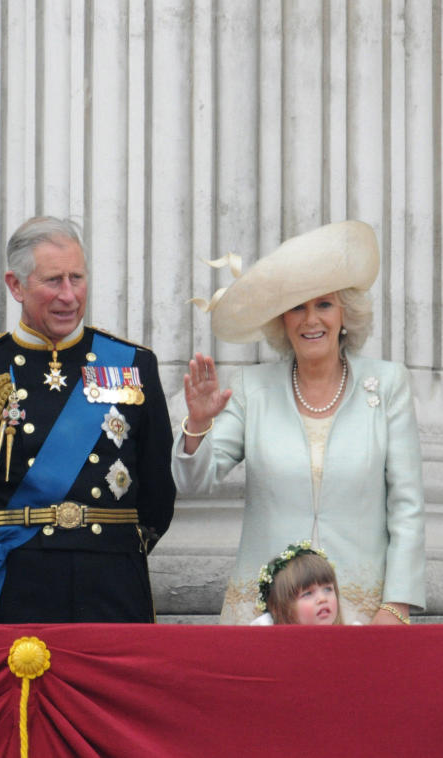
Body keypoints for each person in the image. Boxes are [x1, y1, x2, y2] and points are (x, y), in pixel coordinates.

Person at [173, 220, 424, 625]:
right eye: (297, 307)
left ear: (345, 313)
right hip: (266, 617)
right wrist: (199, 425)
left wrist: (396, 606)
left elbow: (408, 506)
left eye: (323, 304)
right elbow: (193, 484)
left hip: (362, 615)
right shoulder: (252, 388)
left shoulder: (389, 384)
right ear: (281, 320)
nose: (311, 320)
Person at [0, 216, 175, 623]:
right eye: (53, 281)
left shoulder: (133, 364)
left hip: (112, 576)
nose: (69, 295)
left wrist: (112, 549)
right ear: (16, 285)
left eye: (77, 278)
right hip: (19, 577)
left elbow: (157, 494)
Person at [250, 542, 345, 626]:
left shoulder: (349, 640)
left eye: (328, 589)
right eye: (308, 593)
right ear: (282, 610)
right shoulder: (270, 643)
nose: (323, 599)